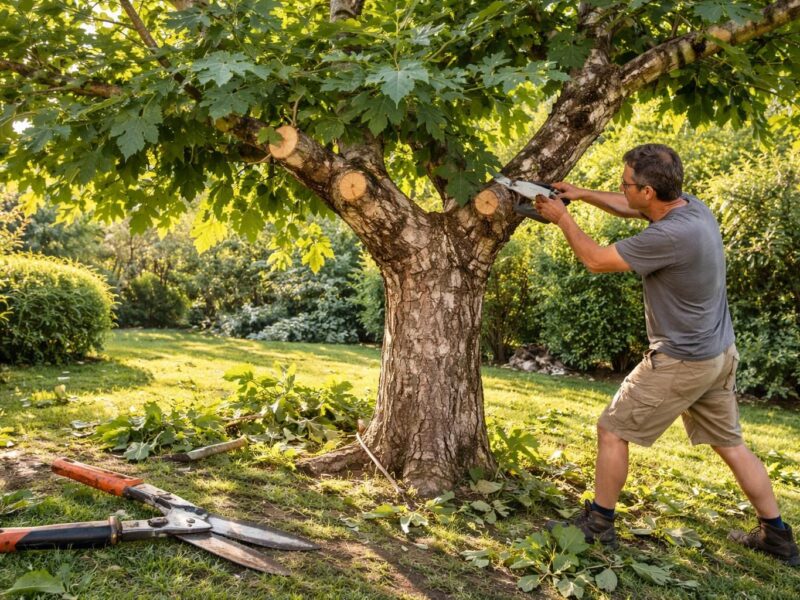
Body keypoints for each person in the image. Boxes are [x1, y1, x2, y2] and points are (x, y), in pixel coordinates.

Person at [533, 143, 798, 567]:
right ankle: (778, 537)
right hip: (717, 354)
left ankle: (599, 525)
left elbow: (596, 260)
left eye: (626, 183)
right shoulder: (692, 208)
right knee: (730, 444)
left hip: (682, 360)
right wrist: (581, 193)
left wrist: (564, 218)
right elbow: (629, 206)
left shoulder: (670, 236)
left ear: (650, 191)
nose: (622, 189)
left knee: (612, 430)